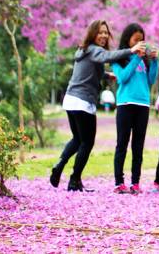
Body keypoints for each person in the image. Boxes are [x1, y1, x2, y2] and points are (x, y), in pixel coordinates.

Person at [51, 19, 144, 192]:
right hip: (83, 101)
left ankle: (60, 164)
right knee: (87, 142)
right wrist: (130, 50)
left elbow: (91, 70)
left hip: (71, 99)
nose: (103, 35)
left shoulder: (83, 50)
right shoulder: (95, 50)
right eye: (100, 32)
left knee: (78, 139)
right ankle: (74, 180)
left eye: (105, 32)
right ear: (93, 33)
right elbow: (106, 56)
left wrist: (108, 76)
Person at [111, 23, 159, 194]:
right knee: (122, 144)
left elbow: (150, 80)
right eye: (136, 40)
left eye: (142, 40)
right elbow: (123, 78)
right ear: (128, 40)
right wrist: (136, 57)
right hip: (125, 105)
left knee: (138, 146)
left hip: (143, 105)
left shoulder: (144, 60)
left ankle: (135, 183)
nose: (140, 43)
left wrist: (154, 61)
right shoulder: (118, 58)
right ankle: (119, 182)